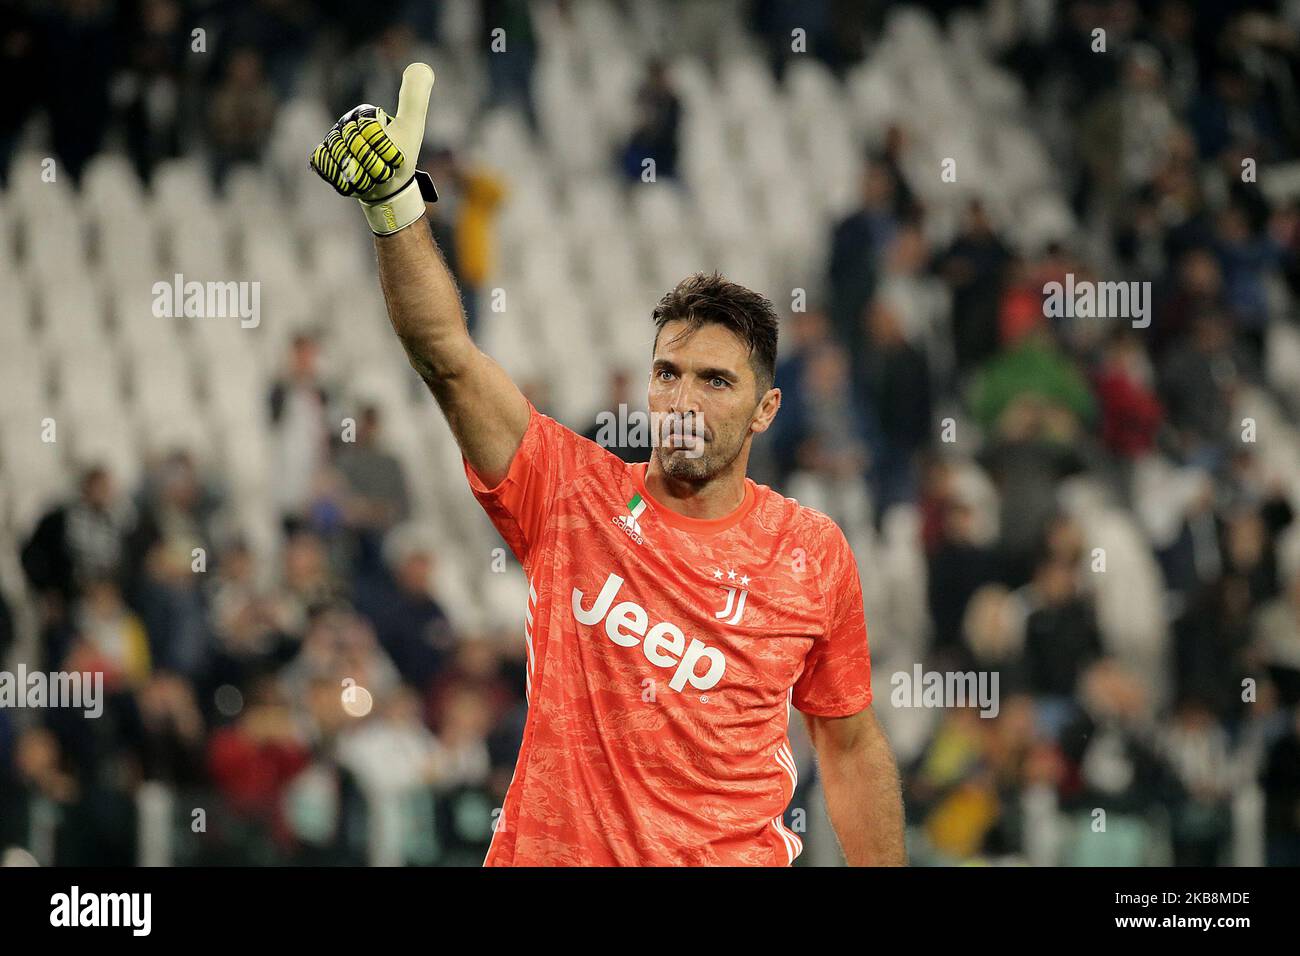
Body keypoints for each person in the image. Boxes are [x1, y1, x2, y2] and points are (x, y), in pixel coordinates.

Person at [307, 63, 905, 866]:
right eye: (669, 373)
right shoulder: (568, 491)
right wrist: (395, 213)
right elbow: (446, 356)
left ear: (766, 410)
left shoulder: (812, 553)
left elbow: (852, 745)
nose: (684, 398)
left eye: (717, 380)